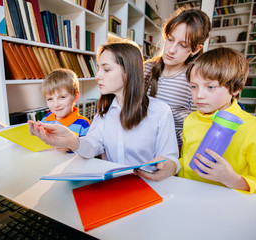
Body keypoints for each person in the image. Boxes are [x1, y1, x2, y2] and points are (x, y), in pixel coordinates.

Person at [29, 42, 180, 181]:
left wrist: (169, 166)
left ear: (128, 71)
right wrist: (72, 141)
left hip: (148, 186)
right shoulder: (104, 111)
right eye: (98, 68)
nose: (97, 76)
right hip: (111, 186)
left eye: (106, 69)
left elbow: (170, 157)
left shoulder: (160, 111)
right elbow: (93, 145)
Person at [177, 47, 256, 198]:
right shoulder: (191, 119)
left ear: (236, 88)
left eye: (210, 87)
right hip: (187, 197)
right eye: (194, 86)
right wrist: (172, 164)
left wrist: (232, 179)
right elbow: (187, 162)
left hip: (229, 206)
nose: (198, 95)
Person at [144, 8, 211, 149]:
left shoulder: (194, 81)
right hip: (142, 143)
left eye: (182, 45)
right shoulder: (147, 69)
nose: (171, 49)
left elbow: (197, 126)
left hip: (175, 149)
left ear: (196, 49)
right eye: (170, 39)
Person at [37, 69, 90, 152]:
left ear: (75, 97)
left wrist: (71, 147)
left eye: (62, 97)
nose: (56, 104)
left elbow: (88, 151)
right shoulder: (46, 118)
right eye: (50, 99)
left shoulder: (83, 124)